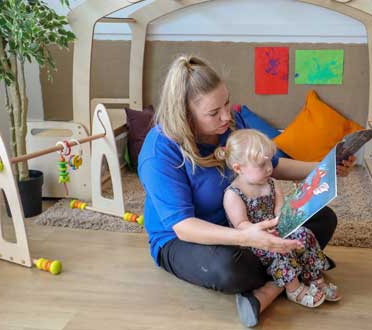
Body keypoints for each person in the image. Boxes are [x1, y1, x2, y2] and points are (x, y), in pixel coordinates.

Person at [138, 55, 354, 327]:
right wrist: (247, 238)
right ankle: (293, 269)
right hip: (182, 239)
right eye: (213, 112)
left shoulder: (229, 127)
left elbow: (271, 165)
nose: (227, 116)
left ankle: (271, 288)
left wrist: (326, 168)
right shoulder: (160, 150)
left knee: (323, 218)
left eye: (226, 103)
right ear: (185, 115)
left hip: (246, 223)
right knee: (229, 270)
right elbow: (184, 226)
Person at [216, 129, 342, 309]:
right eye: (261, 164)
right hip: (255, 239)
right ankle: (293, 288)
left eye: (269, 160)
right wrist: (265, 232)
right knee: (278, 250)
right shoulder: (233, 194)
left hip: (277, 229)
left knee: (305, 235)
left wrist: (287, 217)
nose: (269, 167)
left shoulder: (271, 183)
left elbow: (279, 209)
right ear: (238, 168)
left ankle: (314, 277)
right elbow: (241, 225)